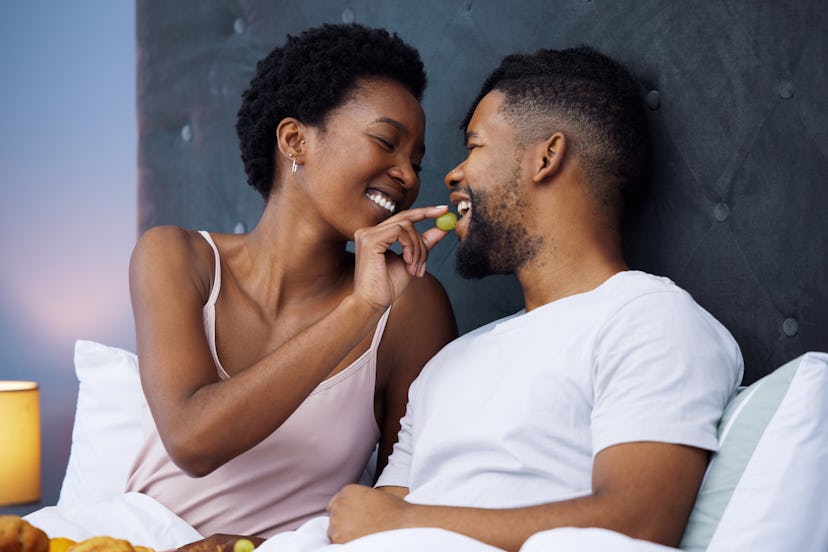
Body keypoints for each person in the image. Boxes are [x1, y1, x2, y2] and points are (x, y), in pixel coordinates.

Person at [320, 46, 744, 550]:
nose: (452, 175)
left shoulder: (651, 320)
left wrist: (403, 524)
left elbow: (636, 523)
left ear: (546, 156)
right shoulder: (451, 363)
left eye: (474, 147)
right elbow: (371, 518)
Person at [125, 23, 457, 539]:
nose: (409, 176)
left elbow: (402, 509)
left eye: (415, 161)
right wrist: (356, 310)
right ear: (294, 139)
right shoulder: (175, 256)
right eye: (386, 142)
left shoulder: (410, 306)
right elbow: (193, 442)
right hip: (133, 540)